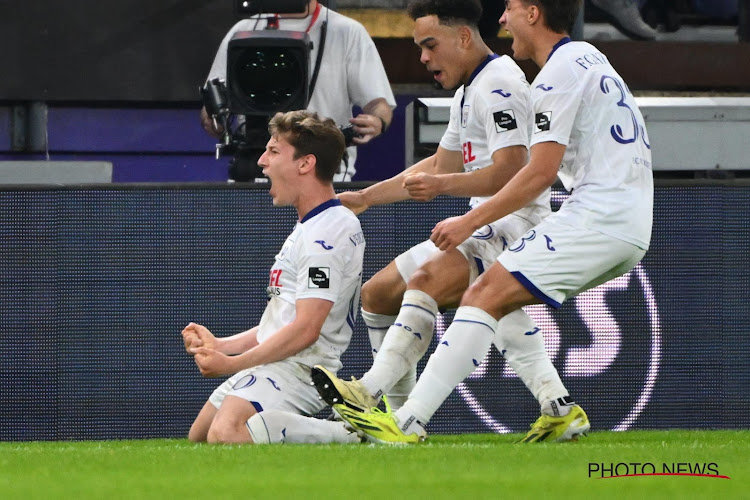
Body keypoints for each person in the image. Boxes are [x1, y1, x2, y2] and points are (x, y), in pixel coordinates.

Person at [337, 0, 653, 444]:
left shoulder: (539, 77)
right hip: (623, 216)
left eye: (509, 8)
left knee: (474, 291)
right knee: (473, 296)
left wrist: (468, 220)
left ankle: (399, 415)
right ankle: (557, 407)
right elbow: (441, 166)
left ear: (533, 12)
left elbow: (532, 172)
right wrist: (368, 197)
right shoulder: (586, 58)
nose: (501, 19)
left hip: (589, 216)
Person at [183, 110, 366, 444]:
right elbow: (285, 321)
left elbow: (307, 329)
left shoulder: (327, 231)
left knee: (225, 434)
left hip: (301, 370)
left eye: (274, 151)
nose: (262, 162)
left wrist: (230, 364)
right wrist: (220, 345)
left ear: (305, 164)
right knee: (200, 437)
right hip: (278, 362)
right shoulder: (311, 225)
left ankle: (352, 432)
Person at [201, 0, 396, 181]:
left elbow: (379, 104)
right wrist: (214, 120)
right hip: (255, 171)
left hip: (325, 177)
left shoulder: (347, 32)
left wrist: (377, 121)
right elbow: (211, 105)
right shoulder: (243, 31)